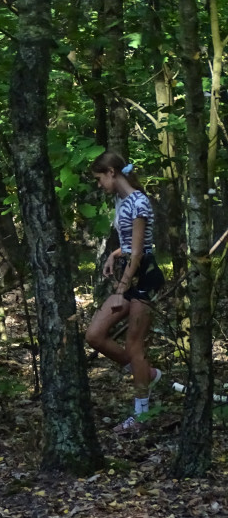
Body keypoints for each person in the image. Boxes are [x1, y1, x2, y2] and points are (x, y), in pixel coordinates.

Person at [86, 152, 164, 433]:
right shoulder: (122, 201)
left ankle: (140, 416)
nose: (99, 185)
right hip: (130, 274)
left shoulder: (139, 202)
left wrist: (121, 289)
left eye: (99, 179)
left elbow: (142, 250)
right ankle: (148, 374)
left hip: (144, 277)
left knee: (134, 345)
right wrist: (114, 253)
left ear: (111, 172)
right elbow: (131, 243)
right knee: (94, 334)